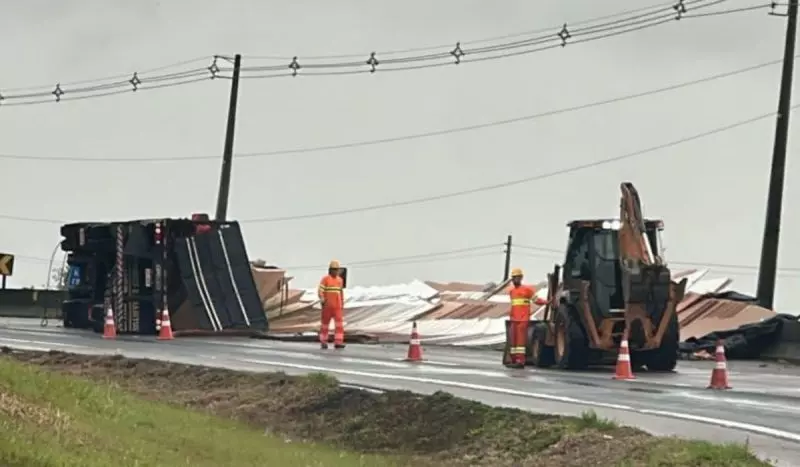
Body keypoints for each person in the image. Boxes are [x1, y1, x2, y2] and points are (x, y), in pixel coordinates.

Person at [506, 268, 546, 368]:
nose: (515, 279)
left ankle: (520, 361)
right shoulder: (511, 291)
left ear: (521, 278)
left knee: (520, 341)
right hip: (514, 319)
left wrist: (546, 302)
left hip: (523, 319)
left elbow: (536, 300)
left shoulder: (527, 290)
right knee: (513, 341)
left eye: (517, 277)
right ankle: (514, 360)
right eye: (514, 278)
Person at [318, 260, 345, 350]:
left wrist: (342, 304)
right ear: (330, 270)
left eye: (337, 269)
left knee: (339, 325)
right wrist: (322, 299)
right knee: (325, 325)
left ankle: (338, 342)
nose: (335, 271)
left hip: (337, 307)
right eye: (334, 269)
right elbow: (320, 290)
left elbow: (341, 293)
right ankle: (323, 342)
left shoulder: (340, 280)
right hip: (327, 306)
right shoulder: (325, 279)